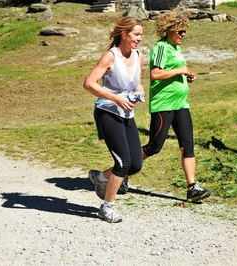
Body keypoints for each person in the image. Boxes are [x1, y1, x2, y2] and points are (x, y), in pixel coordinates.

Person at [141, 11, 211, 202]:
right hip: (164, 105)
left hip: (181, 104)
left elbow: (172, 72)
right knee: (154, 147)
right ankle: (119, 173)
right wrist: (180, 70)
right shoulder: (162, 47)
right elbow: (155, 74)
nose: (183, 35)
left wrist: (186, 75)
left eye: (184, 32)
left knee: (187, 146)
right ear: (169, 30)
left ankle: (192, 188)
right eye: (180, 31)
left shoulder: (176, 48)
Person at [83, 16, 145, 223]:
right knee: (122, 162)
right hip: (107, 111)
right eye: (136, 34)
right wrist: (115, 98)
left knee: (135, 164)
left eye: (141, 35)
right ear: (124, 34)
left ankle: (100, 178)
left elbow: (137, 84)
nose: (139, 39)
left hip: (127, 113)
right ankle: (106, 208)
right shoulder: (111, 56)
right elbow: (89, 83)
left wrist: (139, 93)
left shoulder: (138, 56)